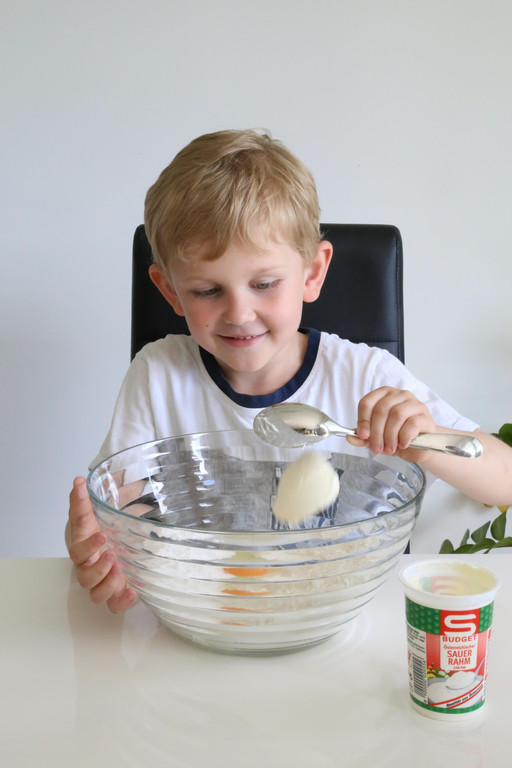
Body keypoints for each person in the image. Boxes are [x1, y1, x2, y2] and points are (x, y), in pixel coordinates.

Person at [66, 128, 512, 613]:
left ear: (312, 273)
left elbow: (505, 479)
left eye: (264, 284)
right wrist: (95, 545)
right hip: (203, 619)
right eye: (207, 291)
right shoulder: (158, 377)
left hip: (342, 620)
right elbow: (116, 512)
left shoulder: (366, 376)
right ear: (170, 290)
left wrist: (423, 441)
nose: (239, 314)